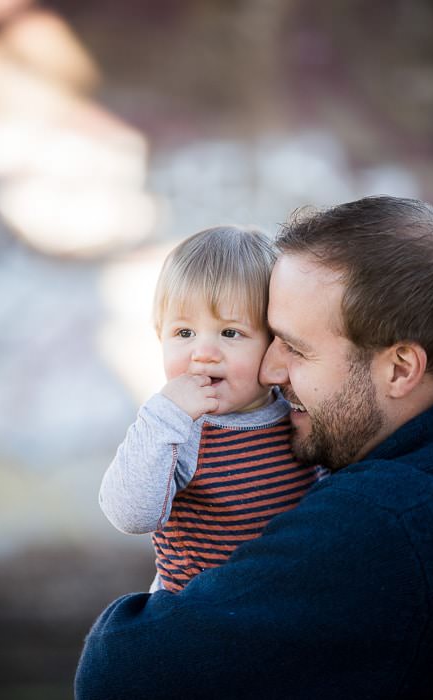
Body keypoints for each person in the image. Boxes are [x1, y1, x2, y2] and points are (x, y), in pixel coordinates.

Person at [75, 196, 433, 700]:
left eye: (294, 346)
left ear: (401, 368)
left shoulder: (385, 517)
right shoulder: (199, 429)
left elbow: (116, 673)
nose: (271, 372)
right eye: (182, 332)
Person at [99, 225, 320, 592]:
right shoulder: (177, 430)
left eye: (230, 333)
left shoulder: (297, 413)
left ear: (274, 344)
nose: (203, 352)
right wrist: (163, 417)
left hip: (281, 606)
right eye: (184, 333)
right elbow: (130, 515)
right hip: (195, 616)